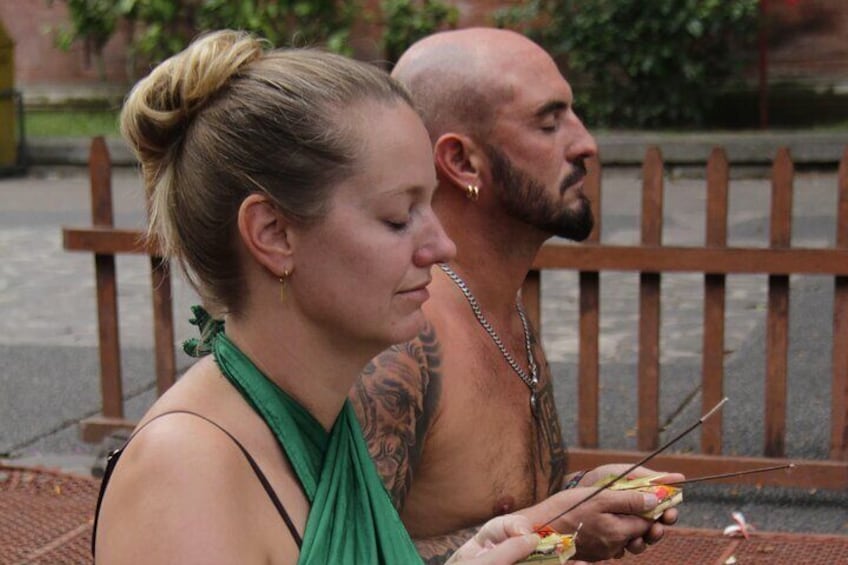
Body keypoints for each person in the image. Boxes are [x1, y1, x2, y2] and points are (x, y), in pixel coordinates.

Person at [92, 29, 544, 564]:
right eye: (399, 218)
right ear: (273, 233)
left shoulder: (325, 422)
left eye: (433, 209)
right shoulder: (186, 470)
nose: (441, 245)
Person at [350, 27, 684, 563]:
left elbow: (490, 504)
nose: (585, 143)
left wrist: (588, 494)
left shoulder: (497, 304)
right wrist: (560, 529)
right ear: (461, 162)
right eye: (549, 123)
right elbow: (349, 553)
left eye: (573, 115)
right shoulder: (404, 342)